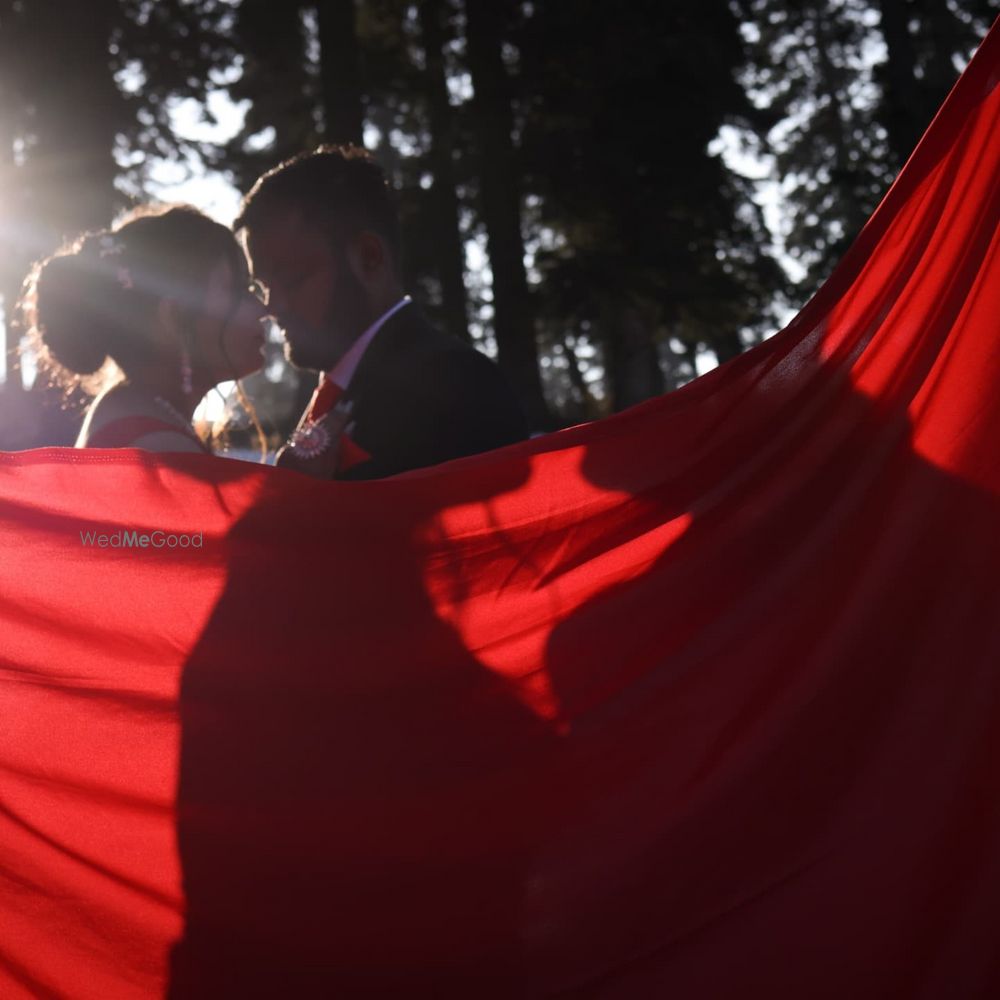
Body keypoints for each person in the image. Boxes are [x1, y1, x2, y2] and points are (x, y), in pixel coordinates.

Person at [235, 144, 529, 480]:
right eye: (262, 286)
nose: (270, 306)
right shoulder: (337, 391)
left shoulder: (456, 386)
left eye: (290, 278)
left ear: (369, 257)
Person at [22, 205, 268, 454]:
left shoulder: (131, 413)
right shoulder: (162, 450)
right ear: (172, 318)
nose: (263, 309)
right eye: (238, 290)